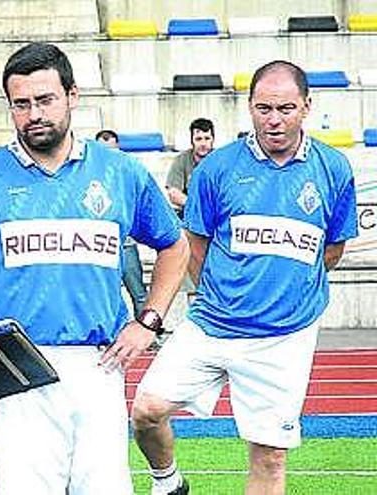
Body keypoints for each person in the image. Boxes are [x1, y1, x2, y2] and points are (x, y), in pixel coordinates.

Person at [0, 42, 189, 494]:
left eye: (45, 100)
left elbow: (174, 247)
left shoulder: (120, 173)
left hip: (99, 365)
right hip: (16, 368)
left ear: (72, 97)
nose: (33, 113)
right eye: (21, 104)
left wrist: (149, 321)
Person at [132, 60, 359, 495]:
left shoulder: (333, 168)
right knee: (146, 410)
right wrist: (223, 295)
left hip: (283, 336)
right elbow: (193, 248)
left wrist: (286, 292)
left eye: (286, 108)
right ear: (249, 107)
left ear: (307, 107)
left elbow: (331, 250)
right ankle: (168, 481)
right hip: (212, 324)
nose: (274, 120)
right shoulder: (216, 169)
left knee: (269, 457)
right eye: (263, 108)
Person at [94, 128, 148, 316]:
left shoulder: (128, 176)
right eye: (103, 151)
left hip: (126, 245)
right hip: (98, 247)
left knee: (139, 293)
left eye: (112, 151)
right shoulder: (86, 179)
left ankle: (149, 333)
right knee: (104, 295)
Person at [165, 118, 215, 217]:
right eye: (198, 139)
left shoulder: (222, 159)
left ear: (213, 139)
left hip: (216, 213)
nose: (203, 144)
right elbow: (173, 193)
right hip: (189, 212)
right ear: (192, 140)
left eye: (207, 138)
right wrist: (198, 207)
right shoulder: (181, 160)